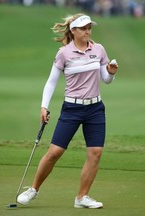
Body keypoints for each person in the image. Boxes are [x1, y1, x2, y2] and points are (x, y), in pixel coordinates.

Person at [17, 13, 118, 208]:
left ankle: (81, 197)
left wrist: (111, 73)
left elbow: (106, 79)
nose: (88, 31)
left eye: (90, 27)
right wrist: (44, 106)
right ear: (73, 31)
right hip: (72, 108)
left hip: (95, 108)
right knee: (55, 152)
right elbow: (51, 81)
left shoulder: (98, 49)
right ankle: (33, 189)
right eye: (84, 28)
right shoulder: (64, 53)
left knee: (95, 152)